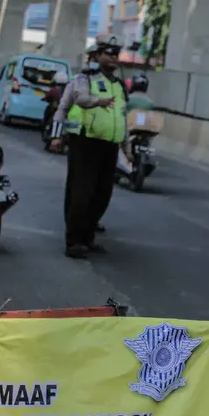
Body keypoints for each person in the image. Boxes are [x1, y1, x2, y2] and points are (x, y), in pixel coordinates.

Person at [49, 36, 126, 259]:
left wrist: (126, 146)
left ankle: (88, 237)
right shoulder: (83, 80)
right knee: (81, 192)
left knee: (102, 194)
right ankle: (73, 241)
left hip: (109, 145)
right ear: (96, 57)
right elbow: (71, 104)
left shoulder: (119, 86)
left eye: (115, 54)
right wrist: (56, 136)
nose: (112, 58)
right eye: (107, 53)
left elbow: (122, 117)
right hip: (85, 142)